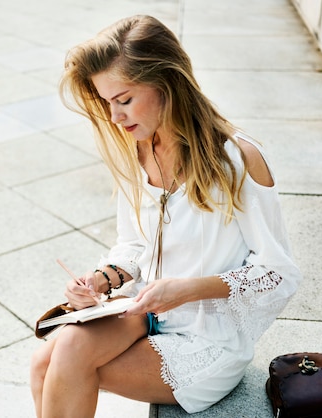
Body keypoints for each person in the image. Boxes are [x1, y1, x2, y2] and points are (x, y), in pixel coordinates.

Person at [29, 14, 301, 417]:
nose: (116, 118)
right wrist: (104, 278)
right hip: (146, 315)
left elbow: (279, 273)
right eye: (107, 104)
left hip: (208, 340)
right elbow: (134, 245)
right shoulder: (137, 150)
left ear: (167, 84)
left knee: (62, 361)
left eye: (123, 100)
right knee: (43, 361)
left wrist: (188, 289)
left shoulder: (237, 160)